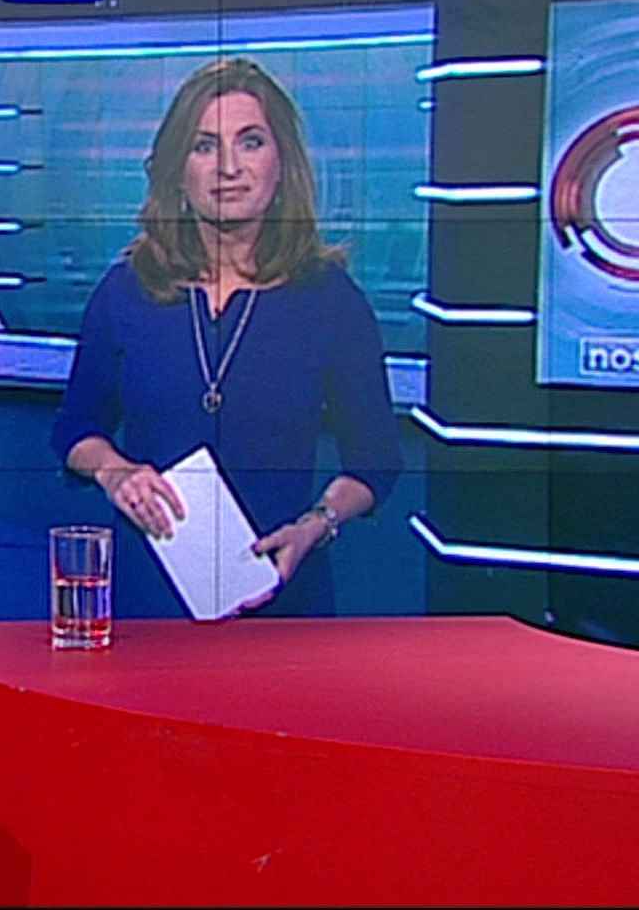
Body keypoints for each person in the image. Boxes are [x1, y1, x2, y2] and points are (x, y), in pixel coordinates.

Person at [51, 57, 403, 619]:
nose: (229, 168)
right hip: (151, 603)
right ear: (178, 171)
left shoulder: (331, 299)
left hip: (283, 601)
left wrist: (315, 526)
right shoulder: (127, 291)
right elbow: (77, 430)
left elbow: (375, 460)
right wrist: (116, 474)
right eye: (205, 146)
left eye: (251, 142)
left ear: (282, 164)